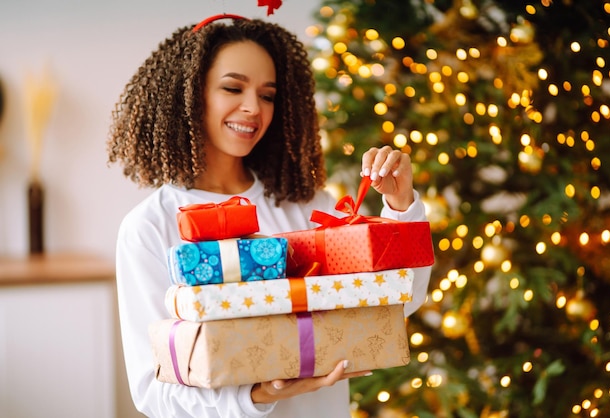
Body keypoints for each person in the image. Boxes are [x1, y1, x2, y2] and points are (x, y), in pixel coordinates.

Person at [107, 15, 430, 418]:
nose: (252, 108)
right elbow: (152, 392)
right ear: (189, 95)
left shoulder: (309, 205)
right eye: (232, 87)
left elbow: (401, 300)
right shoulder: (149, 227)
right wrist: (255, 395)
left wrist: (400, 208)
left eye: (268, 95)